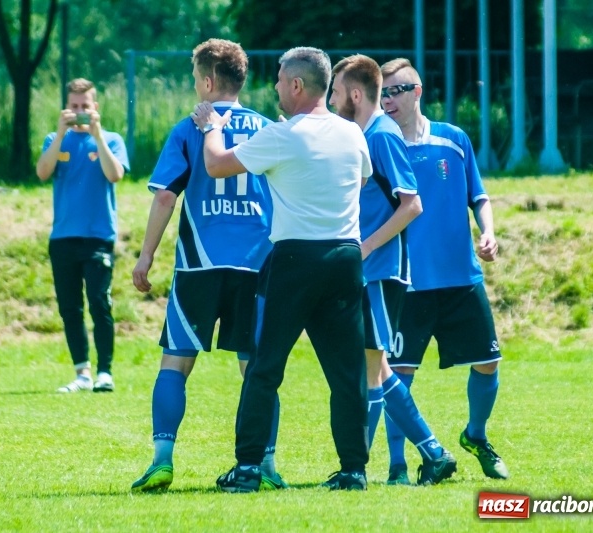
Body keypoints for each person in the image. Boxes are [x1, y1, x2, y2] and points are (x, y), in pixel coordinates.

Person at [193, 46, 373, 492]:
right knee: (347, 372)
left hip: (296, 259)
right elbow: (363, 178)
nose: (273, 87)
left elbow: (216, 164)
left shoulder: (284, 135)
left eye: (278, 79)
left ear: (296, 85)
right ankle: (354, 470)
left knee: (265, 366)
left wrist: (213, 127)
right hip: (346, 257)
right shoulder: (352, 134)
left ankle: (249, 467)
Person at [130, 39, 285, 492]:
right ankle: (267, 465)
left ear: (208, 80)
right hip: (256, 265)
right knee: (255, 369)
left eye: (196, 79)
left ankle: (162, 458)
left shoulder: (189, 127)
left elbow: (164, 195)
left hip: (199, 265)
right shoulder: (267, 128)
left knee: (175, 364)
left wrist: (145, 256)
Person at [329, 54, 457, 486]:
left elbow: (412, 205)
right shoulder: (365, 133)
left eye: (334, 92)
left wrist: (363, 249)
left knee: (377, 367)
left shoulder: (381, 136)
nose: (330, 101)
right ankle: (367, 464)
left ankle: (427, 452)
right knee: (373, 368)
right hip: (370, 269)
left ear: (355, 94)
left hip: (381, 270)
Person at [379, 57, 509, 480]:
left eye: (395, 91)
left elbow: (479, 195)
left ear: (417, 92)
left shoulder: (453, 140)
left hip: (460, 278)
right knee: (398, 376)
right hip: (407, 283)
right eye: (381, 93)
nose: (387, 100)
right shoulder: (380, 145)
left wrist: (488, 232)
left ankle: (475, 434)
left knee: (488, 362)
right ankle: (398, 464)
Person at [36, 78, 129, 394]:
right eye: (74, 107)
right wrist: (61, 134)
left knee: (99, 303)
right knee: (70, 308)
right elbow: (43, 172)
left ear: (95, 107)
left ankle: (105, 372)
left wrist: (97, 135)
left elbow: (115, 174)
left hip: (98, 236)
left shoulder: (111, 139)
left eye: (85, 107)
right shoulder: (54, 139)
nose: (79, 112)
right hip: (63, 237)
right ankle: (82, 373)